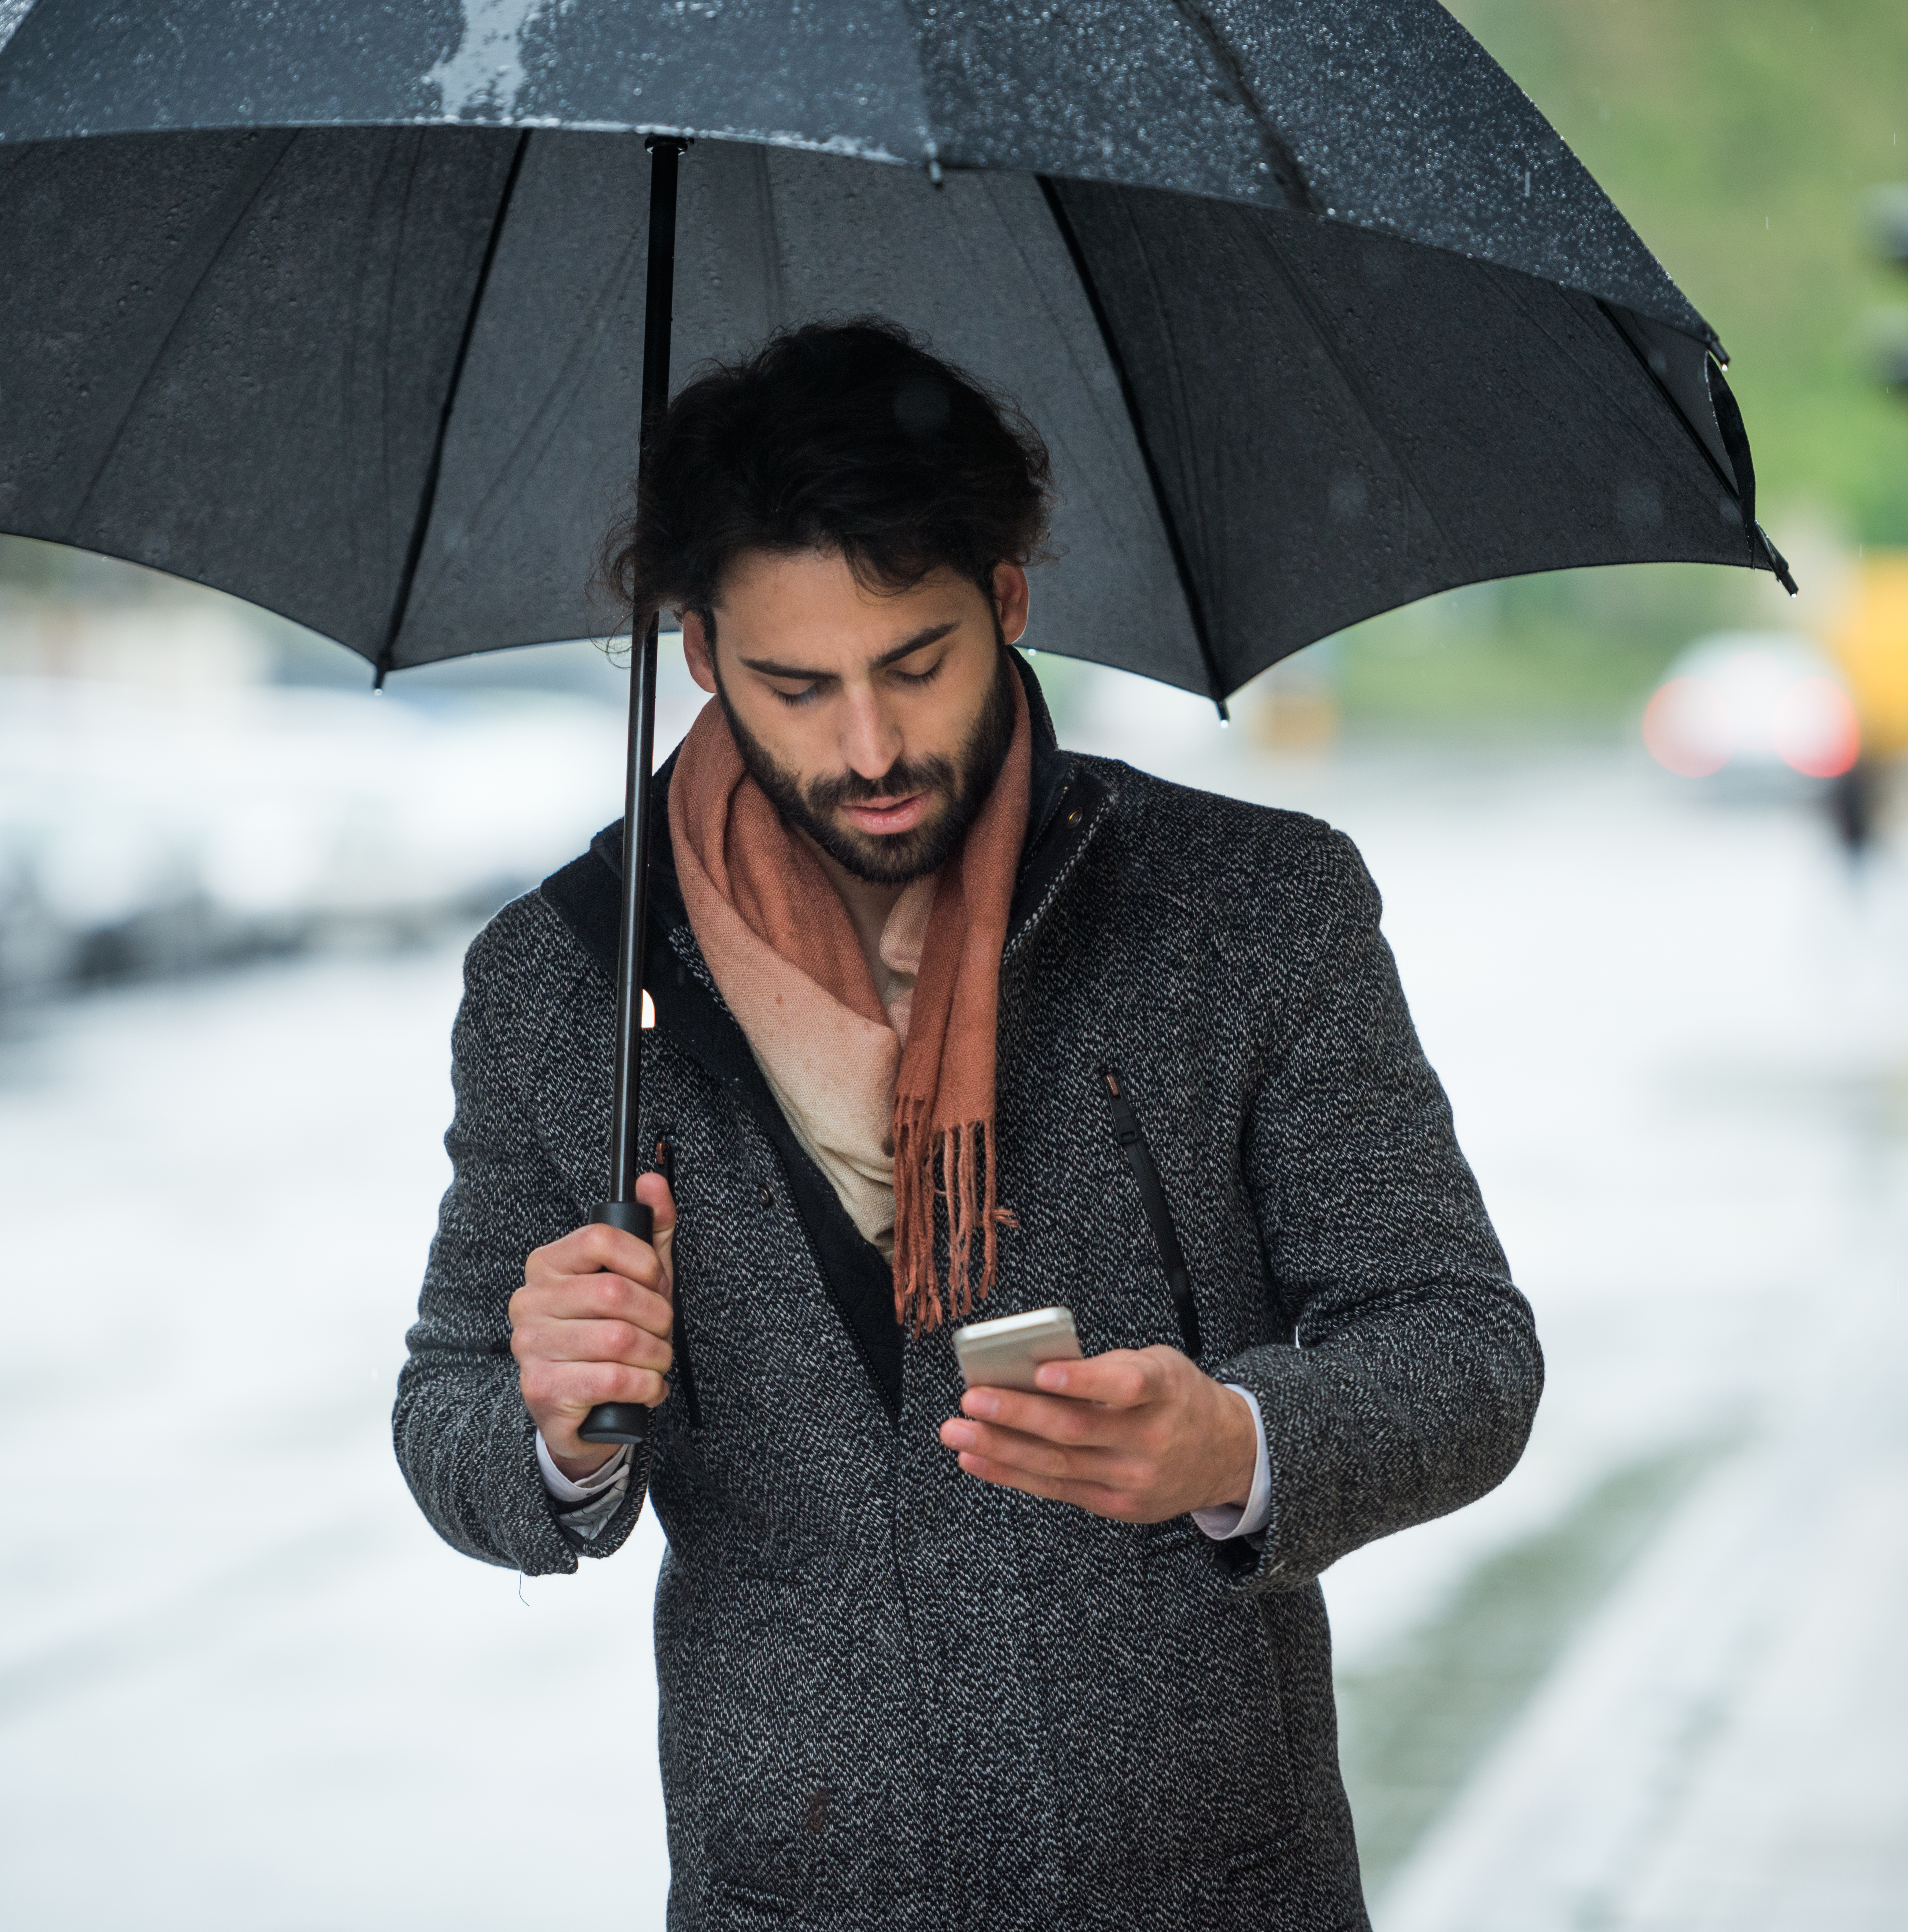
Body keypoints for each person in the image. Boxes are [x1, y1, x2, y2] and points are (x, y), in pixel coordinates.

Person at [394, 320, 1540, 1929]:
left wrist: (1237, 1440)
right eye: (797, 685)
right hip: (793, 1894)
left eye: (914, 665)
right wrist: (555, 1422)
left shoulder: (1254, 911)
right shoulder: (562, 981)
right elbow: (447, 1402)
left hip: (1210, 1888)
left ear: (1006, 602)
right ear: (705, 656)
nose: (867, 748)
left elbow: (1464, 1348)